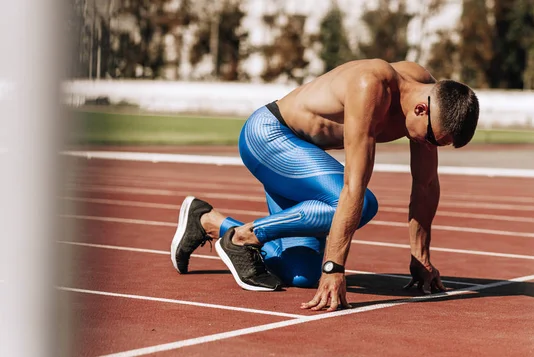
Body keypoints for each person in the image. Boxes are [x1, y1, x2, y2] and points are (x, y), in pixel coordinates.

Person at [170, 59, 479, 311]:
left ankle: (208, 221)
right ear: (421, 109)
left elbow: (424, 184)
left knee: (301, 274)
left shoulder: (428, 92)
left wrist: (420, 257)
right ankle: (243, 237)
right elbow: (353, 187)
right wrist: (334, 269)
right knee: (364, 204)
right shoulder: (371, 86)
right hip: (268, 136)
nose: (428, 147)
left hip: (304, 158)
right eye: (430, 139)